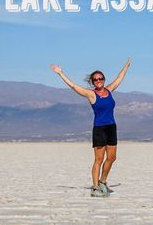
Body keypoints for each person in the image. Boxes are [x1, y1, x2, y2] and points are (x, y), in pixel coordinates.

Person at [50, 58, 131, 197]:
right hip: (99, 129)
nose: (98, 81)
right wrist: (60, 73)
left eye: (101, 78)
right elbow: (74, 87)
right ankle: (95, 188)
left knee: (112, 158)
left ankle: (103, 182)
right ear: (92, 82)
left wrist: (127, 65)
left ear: (104, 79)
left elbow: (120, 78)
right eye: (95, 79)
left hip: (111, 127)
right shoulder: (91, 94)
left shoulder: (109, 90)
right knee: (98, 160)